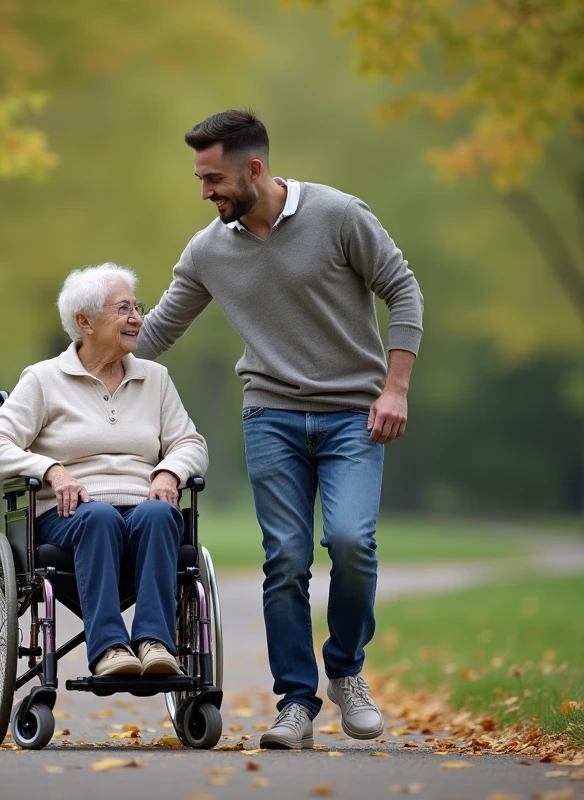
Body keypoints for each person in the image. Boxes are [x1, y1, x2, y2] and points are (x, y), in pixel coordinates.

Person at [134, 109, 424, 749]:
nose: (205, 192)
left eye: (213, 179)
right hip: (271, 416)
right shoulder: (209, 249)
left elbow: (403, 290)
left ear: (254, 169)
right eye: (201, 180)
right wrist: (66, 371)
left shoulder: (339, 215)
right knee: (286, 560)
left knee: (351, 544)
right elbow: (156, 331)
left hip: (354, 413)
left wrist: (395, 387)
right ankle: (296, 702)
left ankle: (346, 670)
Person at [0, 264, 208, 677]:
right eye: (123, 309)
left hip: (142, 509)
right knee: (99, 517)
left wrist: (168, 473)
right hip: (68, 516)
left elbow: (190, 443)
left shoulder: (155, 379)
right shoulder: (44, 380)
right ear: (84, 322)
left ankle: (155, 642)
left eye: (138, 307)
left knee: (160, 514)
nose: (137, 318)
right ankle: (109, 651)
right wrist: (50, 469)